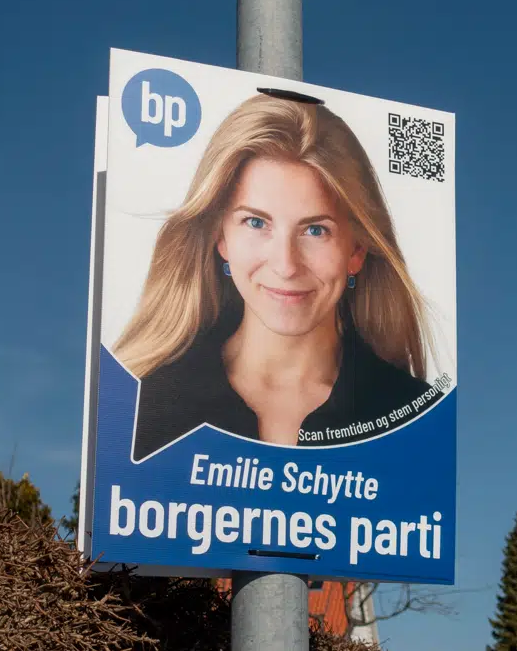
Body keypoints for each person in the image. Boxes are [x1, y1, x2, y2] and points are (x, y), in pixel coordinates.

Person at [114, 92, 441, 459]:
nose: (285, 265)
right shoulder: (143, 404)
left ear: (356, 251)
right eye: (256, 222)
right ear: (221, 237)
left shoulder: (418, 420)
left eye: (315, 230)